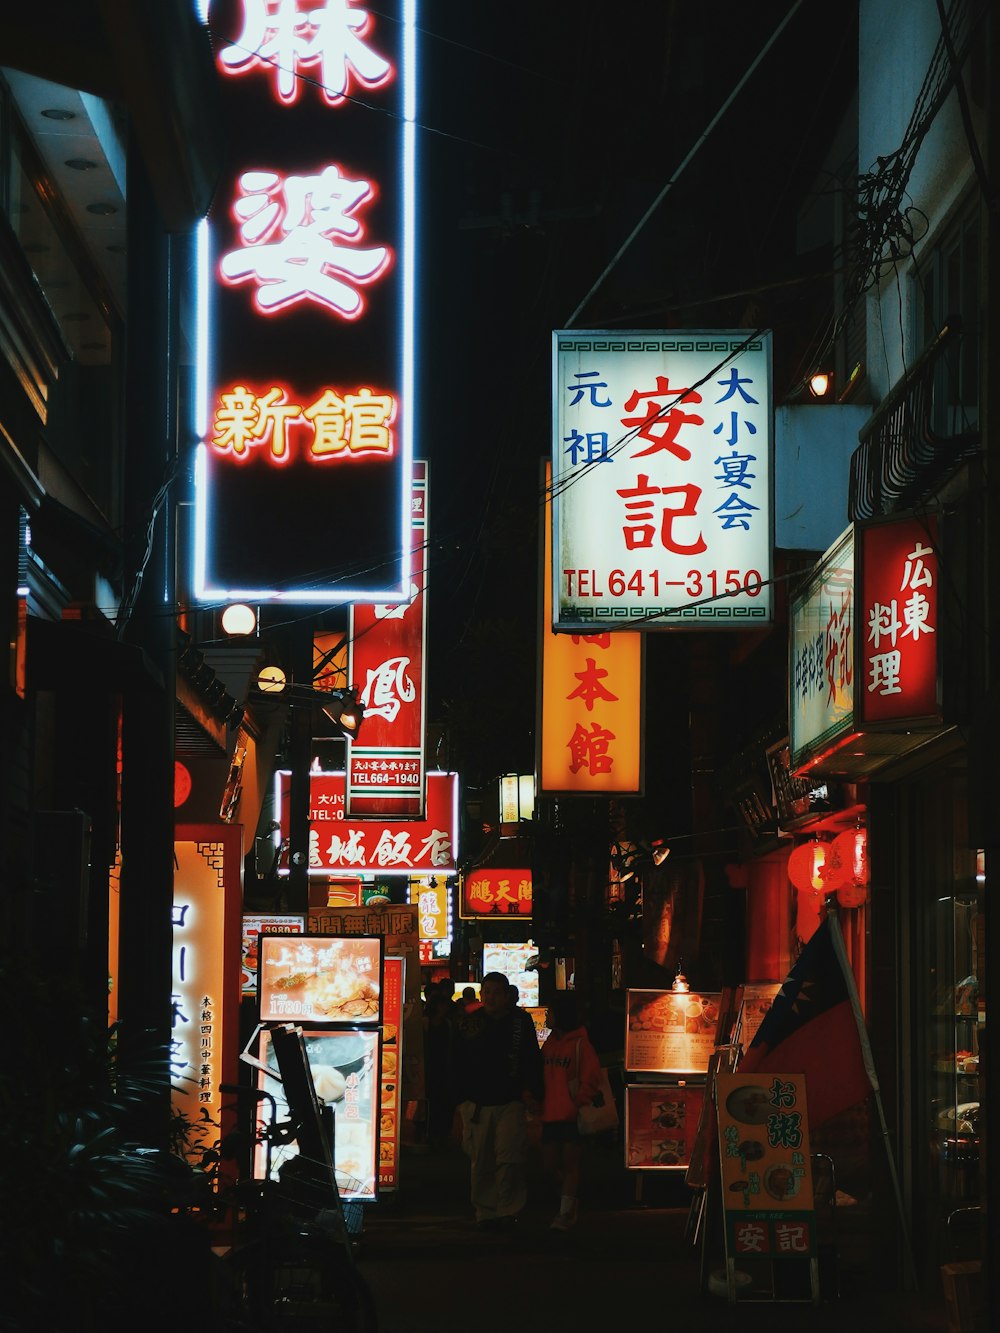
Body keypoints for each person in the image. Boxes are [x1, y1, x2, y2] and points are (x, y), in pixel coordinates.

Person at [452, 971, 544, 1229]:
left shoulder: (520, 1021)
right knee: (481, 1160)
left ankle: (508, 1209)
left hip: (510, 1100)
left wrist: (530, 1092)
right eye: (487, 992)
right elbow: (457, 1061)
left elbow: (530, 1058)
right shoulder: (470, 1022)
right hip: (477, 1101)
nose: (491, 997)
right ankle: (486, 1211)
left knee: (509, 1157)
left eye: (496, 992)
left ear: (507, 995)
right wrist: (460, 1101)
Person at [540, 991, 601, 1231]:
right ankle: (569, 1203)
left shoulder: (580, 1044)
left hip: (569, 1115)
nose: (547, 1016)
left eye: (550, 1012)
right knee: (549, 1165)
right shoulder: (552, 1042)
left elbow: (591, 1078)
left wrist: (577, 1103)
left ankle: (566, 1211)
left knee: (569, 1164)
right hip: (551, 1113)